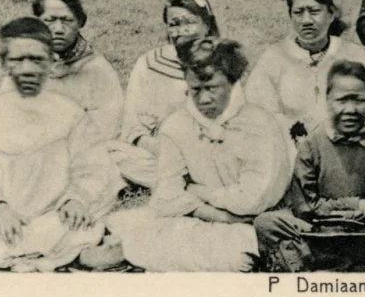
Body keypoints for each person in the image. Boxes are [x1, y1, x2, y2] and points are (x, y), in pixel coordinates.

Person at [93, 39, 293, 272]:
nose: (204, 99)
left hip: (252, 223)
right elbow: (166, 195)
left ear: (231, 82)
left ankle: (129, 251)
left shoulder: (259, 125)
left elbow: (253, 198)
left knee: (237, 253)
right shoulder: (177, 126)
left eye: (212, 88)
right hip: (204, 216)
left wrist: (198, 191)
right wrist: (217, 215)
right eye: (196, 90)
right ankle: (128, 249)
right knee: (139, 225)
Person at [0, 17, 121, 272]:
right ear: (4, 64)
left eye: (37, 60)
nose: (27, 69)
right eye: (17, 60)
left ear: (52, 63)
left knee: (82, 218)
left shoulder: (70, 114)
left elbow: (91, 165)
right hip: (1, 215)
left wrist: (75, 200)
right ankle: (53, 253)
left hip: (54, 214)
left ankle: (11, 251)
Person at [254, 60, 365, 272]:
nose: (350, 109)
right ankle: (362, 269)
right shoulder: (313, 144)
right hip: (320, 234)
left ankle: (329, 267)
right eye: (342, 100)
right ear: (327, 100)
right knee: (267, 223)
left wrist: (361, 220)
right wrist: (356, 206)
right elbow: (305, 207)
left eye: (359, 100)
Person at [245, 0, 365, 143]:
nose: (306, 20)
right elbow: (257, 114)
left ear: (331, 15)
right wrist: (294, 129)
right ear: (290, 15)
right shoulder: (274, 58)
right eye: (298, 12)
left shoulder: (353, 55)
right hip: (292, 148)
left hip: (347, 144)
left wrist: (334, 127)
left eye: (314, 11)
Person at [110, 0, 221, 187]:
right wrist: (159, 148)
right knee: (112, 153)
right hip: (156, 154)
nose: (182, 31)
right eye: (174, 24)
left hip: (207, 155)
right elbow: (132, 124)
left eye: (190, 22)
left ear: (207, 25)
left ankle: (184, 182)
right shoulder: (149, 63)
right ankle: (185, 183)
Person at [0, 0, 124, 144]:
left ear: (79, 22)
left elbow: (108, 129)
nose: (58, 29)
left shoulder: (97, 69)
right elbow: (6, 118)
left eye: (66, 20)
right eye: (50, 20)